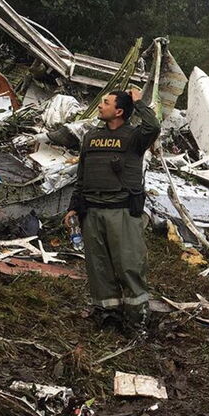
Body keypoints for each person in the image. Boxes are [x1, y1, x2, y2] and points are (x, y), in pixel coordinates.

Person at [64, 89, 160, 335]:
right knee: (99, 267)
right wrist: (74, 206)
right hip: (92, 211)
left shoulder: (134, 137)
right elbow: (82, 175)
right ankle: (108, 315)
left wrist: (139, 103)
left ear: (118, 111)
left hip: (122, 211)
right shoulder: (91, 137)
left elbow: (153, 127)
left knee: (129, 265)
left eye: (105, 102)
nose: (99, 105)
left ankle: (137, 318)